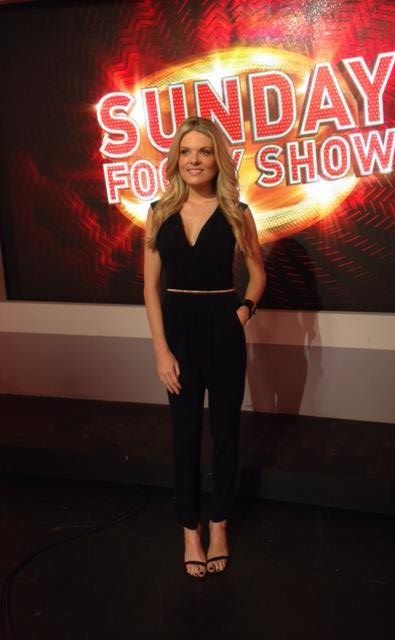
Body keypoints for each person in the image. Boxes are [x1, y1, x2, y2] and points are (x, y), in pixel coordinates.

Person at [143, 116, 266, 578]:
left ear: (218, 160)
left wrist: (242, 313)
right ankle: (189, 531)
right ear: (176, 158)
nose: (194, 160)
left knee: (226, 432)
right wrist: (161, 350)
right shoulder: (158, 211)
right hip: (177, 333)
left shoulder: (237, 212)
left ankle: (219, 526)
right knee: (185, 434)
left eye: (204, 151)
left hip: (223, 330)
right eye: (186, 151)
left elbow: (258, 273)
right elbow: (150, 288)